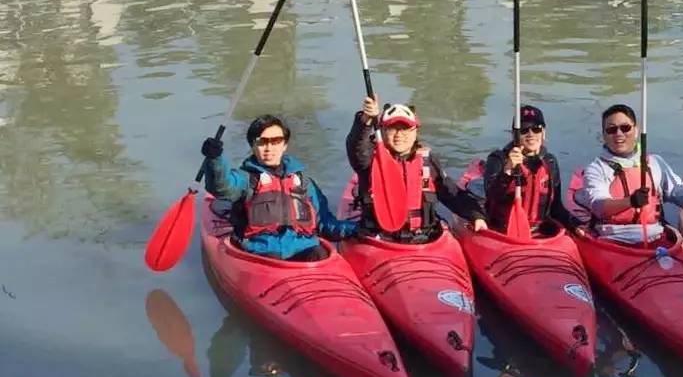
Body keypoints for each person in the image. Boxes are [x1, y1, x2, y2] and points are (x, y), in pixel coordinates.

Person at [201, 115, 357, 262]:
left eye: (275, 141)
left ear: (284, 145)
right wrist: (215, 159)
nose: (269, 148)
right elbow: (222, 187)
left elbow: (324, 223)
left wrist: (356, 229)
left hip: (303, 248)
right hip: (261, 250)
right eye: (262, 142)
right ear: (253, 145)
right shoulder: (246, 179)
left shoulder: (303, 182)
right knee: (272, 256)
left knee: (319, 254)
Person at [346, 96, 486, 242]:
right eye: (392, 129)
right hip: (380, 239)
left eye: (405, 128)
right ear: (382, 131)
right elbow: (356, 148)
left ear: (415, 132)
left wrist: (475, 215)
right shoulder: (369, 161)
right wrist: (366, 121)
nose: (399, 135)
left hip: (424, 238)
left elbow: (450, 193)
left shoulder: (427, 161)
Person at [575, 104, 683, 244]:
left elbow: (680, 193)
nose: (619, 134)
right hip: (612, 239)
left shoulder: (655, 163)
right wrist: (630, 202)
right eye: (611, 129)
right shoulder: (596, 169)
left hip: (655, 236)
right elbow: (598, 205)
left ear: (636, 131)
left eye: (625, 128)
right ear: (604, 135)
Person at [482, 104, 578, 233]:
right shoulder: (498, 159)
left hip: (539, 231)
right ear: (514, 135)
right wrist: (508, 171)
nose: (531, 134)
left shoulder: (550, 161)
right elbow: (491, 198)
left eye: (536, 129)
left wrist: (575, 225)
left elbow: (556, 207)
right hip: (502, 230)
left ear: (543, 132)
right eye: (524, 130)